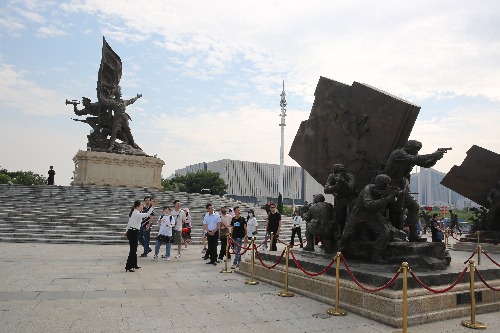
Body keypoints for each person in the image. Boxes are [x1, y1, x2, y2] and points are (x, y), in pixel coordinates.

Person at [381, 140, 445, 241]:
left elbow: (426, 164)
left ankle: (413, 235)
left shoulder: (411, 155)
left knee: (414, 206)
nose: (417, 152)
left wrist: (436, 158)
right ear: (409, 147)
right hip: (389, 186)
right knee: (396, 210)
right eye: (416, 149)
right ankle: (394, 234)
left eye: (418, 150)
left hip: (400, 187)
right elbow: (416, 159)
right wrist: (433, 154)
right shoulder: (399, 153)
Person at [338, 174, 395, 263]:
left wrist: (394, 198)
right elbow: (369, 204)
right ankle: (339, 252)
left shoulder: (385, 191)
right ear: (378, 183)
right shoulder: (368, 189)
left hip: (372, 216)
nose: (386, 186)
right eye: (384, 184)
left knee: (385, 231)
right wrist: (386, 199)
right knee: (347, 234)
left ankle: (376, 255)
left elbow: (383, 207)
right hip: (359, 214)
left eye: (387, 184)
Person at [125, 198, 158, 272]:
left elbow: (129, 223)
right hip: (133, 232)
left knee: (134, 249)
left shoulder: (135, 212)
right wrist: (153, 206)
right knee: (133, 250)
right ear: (137, 206)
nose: (142, 206)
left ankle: (134, 264)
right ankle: (129, 266)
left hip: (134, 232)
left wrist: (126, 231)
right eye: (141, 205)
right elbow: (146, 214)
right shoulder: (136, 213)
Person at [324, 163, 356, 236]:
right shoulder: (332, 176)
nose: (339, 174)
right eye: (337, 172)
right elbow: (326, 190)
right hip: (340, 199)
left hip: (349, 198)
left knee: (350, 217)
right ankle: (341, 234)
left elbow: (351, 189)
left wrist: (343, 182)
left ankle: (350, 235)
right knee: (340, 219)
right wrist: (337, 185)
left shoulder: (350, 176)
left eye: (341, 172)